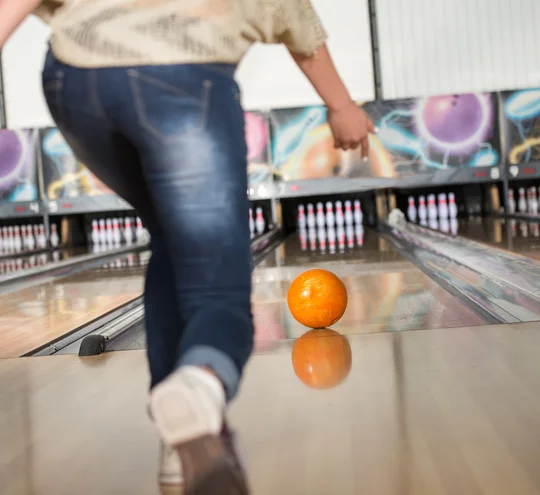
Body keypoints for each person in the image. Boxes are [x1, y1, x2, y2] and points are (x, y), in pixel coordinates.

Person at [0, 0, 374, 493]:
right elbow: (295, 20)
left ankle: (178, 446)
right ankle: (200, 385)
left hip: (76, 84)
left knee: (173, 239)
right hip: (181, 78)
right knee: (218, 289)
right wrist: (342, 105)